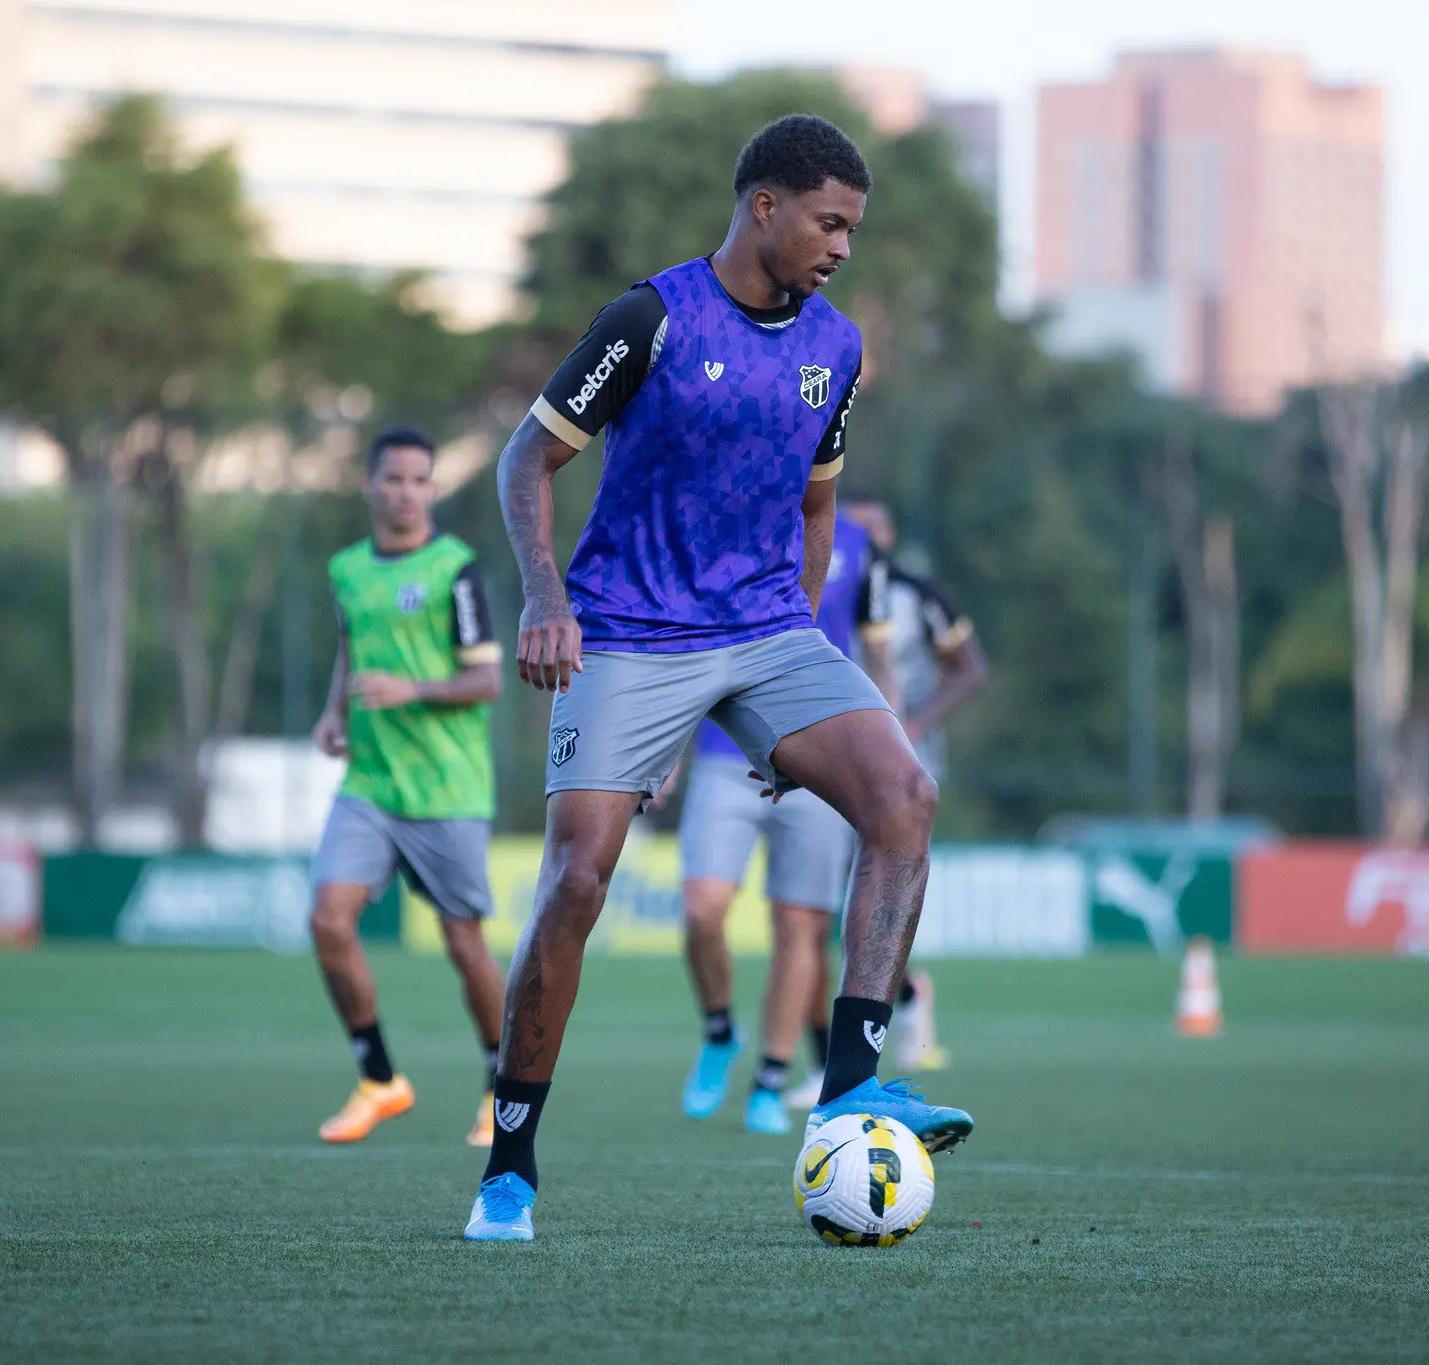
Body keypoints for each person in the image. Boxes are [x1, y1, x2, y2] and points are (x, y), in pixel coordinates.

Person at [466, 114, 971, 1242]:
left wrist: (790, 693)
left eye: (852, 228)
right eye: (829, 223)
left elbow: (818, 508)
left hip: (767, 631)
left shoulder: (834, 347)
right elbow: (526, 458)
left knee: (904, 799)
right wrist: (547, 599)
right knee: (578, 883)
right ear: (765, 207)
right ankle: (509, 1161)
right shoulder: (648, 318)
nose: (842, 247)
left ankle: (849, 1085)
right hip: (629, 632)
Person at [307, 427, 508, 1149]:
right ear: (369, 485)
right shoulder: (347, 570)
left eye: (420, 480)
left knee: (463, 944)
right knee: (329, 920)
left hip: (447, 787)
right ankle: (379, 1078)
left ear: (432, 489)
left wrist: (411, 688)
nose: (406, 491)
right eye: (393, 478)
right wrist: (334, 710)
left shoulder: (456, 569)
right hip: (369, 781)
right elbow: (351, 647)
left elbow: (486, 678)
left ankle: (500, 1087)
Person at [668, 508, 892, 1135]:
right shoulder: (728, 522)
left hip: (823, 753)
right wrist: (664, 756)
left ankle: (771, 1078)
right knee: (701, 908)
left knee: (800, 927)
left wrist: (889, 747)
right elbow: (686, 652)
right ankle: (719, 1032)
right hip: (723, 753)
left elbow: (876, 651)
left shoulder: (857, 544)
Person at [816, 497, 991, 1075]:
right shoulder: (815, 580)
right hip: (827, 747)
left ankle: (874, 1028)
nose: (858, 539)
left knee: (874, 879)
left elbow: (970, 668)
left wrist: (915, 722)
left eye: (870, 529)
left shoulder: (921, 595)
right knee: (829, 900)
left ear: (888, 536)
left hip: (901, 755)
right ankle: (898, 1002)